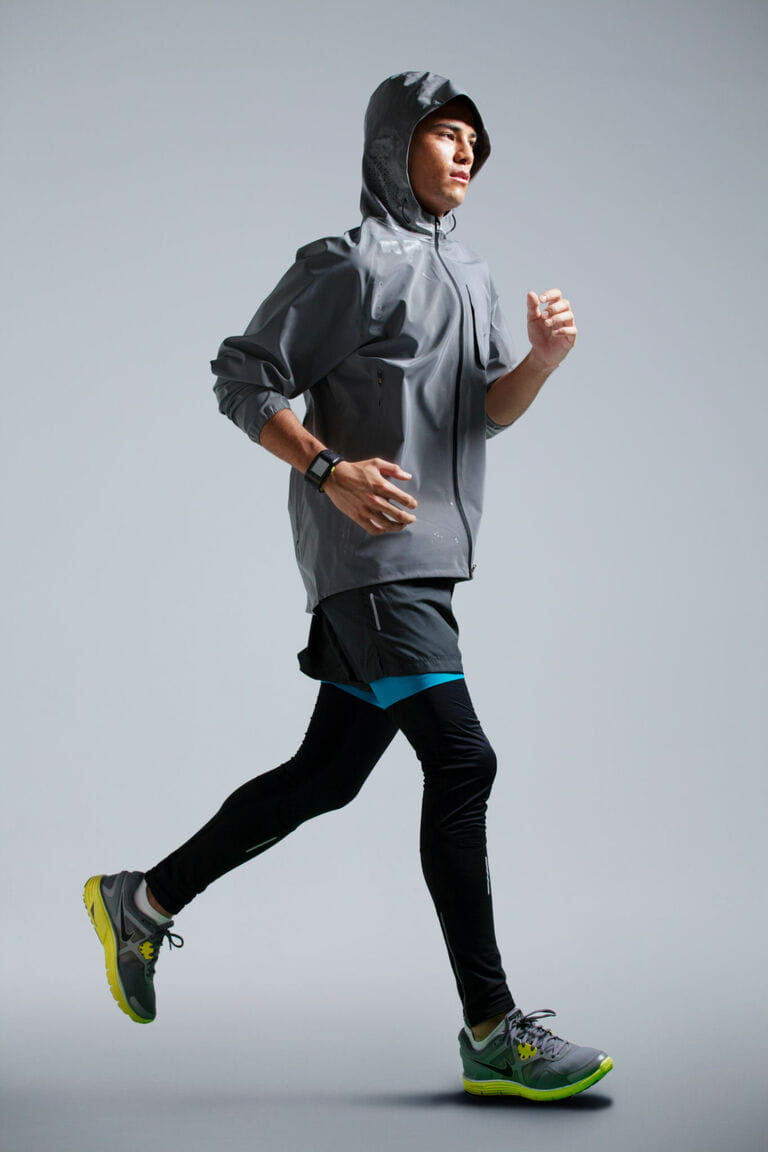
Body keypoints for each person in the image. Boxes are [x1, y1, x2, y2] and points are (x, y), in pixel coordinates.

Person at [84, 70, 613, 1101]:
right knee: (464, 764)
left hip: (429, 568)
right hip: (373, 569)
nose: (465, 154)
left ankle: (140, 902)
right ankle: (492, 1027)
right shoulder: (347, 264)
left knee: (327, 775)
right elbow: (242, 376)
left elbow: (479, 415)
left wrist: (541, 362)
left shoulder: (470, 272)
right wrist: (328, 467)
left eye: (475, 142)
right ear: (394, 146)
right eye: (445, 134)